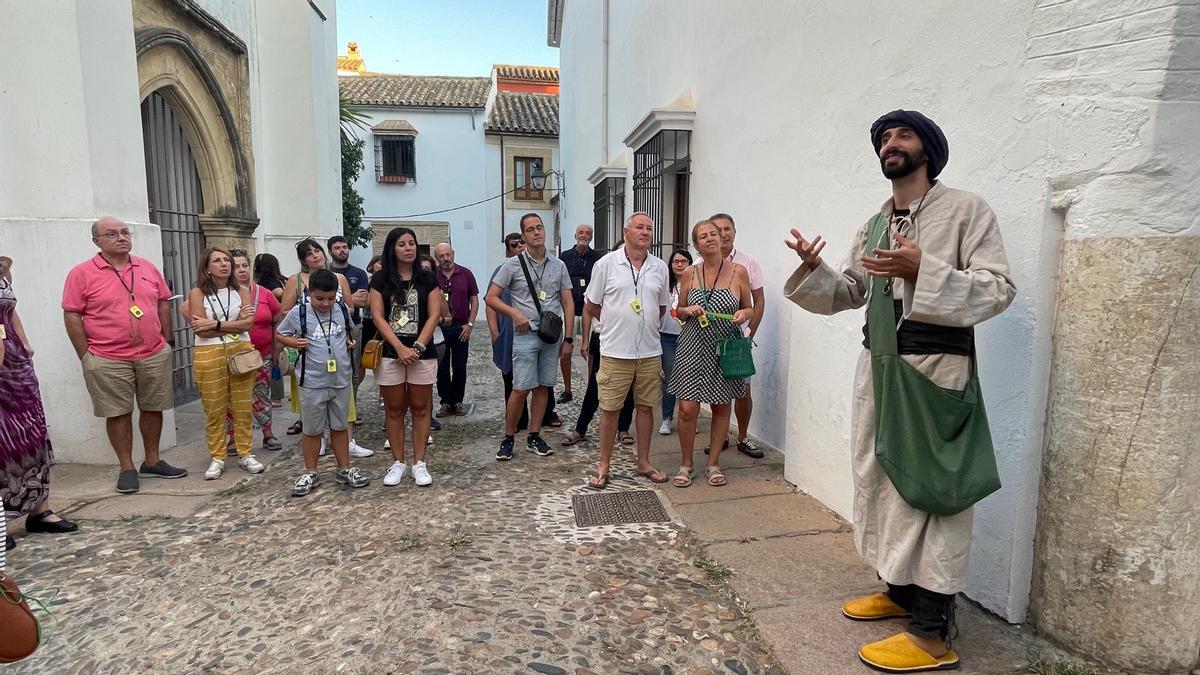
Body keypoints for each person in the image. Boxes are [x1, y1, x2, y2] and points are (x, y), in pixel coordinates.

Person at [784, 110, 1015, 672]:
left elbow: (998, 290)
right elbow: (851, 291)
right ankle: (901, 591)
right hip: (881, 366)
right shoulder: (872, 225)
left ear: (928, 148)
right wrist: (816, 269)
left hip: (938, 370)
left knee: (936, 486)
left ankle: (933, 630)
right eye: (884, 138)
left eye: (903, 135)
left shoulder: (966, 210)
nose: (891, 143)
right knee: (883, 478)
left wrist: (923, 269)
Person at [63, 217, 188, 494]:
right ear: (97, 241)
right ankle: (127, 467)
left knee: (154, 407)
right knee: (118, 413)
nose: (121, 237)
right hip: (107, 356)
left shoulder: (147, 267)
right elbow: (72, 314)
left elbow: (162, 303)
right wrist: (86, 355)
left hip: (153, 352)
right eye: (112, 234)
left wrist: (166, 341)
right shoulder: (81, 273)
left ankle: (152, 460)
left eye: (124, 232)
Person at [582, 213, 671, 490]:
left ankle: (644, 462)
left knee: (645, 408)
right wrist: (614, 323)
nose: (645, 232)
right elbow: (592, 304)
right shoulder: (606, 264)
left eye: (649, 228)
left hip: (649, 351)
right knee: (610, 409)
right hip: (615, 350)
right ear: (626, 232)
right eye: (639, 227)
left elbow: (661, 307)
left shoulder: (659, 267)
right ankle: (603, 465)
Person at [668, 220, 754, 488]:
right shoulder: (689, 274)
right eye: (703, 236)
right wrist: (687, 310)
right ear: (696, 245)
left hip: (724, 346)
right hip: (693, 345)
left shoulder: (739, 272)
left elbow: (749, 307)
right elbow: (678, 310)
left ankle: (714, 463)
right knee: (687, 409)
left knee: (720, 405)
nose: (710, 239)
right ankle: (686, 464)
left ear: (721, 238)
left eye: (713, 234)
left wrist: (744, 314)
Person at [2, 256, 77, 554]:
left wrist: (25, 343)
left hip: (14, 363)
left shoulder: (3, 268)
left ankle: (39, 510)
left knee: (31, 435)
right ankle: (2, 523)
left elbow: (10, 312)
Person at [485, 214, 574, 461]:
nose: (537, 233)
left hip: (551, 335)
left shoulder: (558, 265)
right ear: (523, 236)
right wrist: (514, 313)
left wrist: (568, 338)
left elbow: (567, 300)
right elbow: (491, 298)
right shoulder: (512, 265)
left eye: (539, 228)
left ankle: (535, 434)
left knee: (544, 385)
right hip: (525, 334)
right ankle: (509, 437)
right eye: (530, 230)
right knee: (520, 388)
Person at [277, 269, 370, 496]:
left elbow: (347, 331)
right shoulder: (299, 313)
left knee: (339, 426)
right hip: (312, 381)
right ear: (310, 293)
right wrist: (294, 342)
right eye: (320, 298)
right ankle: (311, 471)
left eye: (330, 298)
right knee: (312, 429)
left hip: (340, 379)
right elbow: (280, 334)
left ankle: (344, 468)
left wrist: (349, 343)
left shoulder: (340, 309)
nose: (325, 303)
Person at [279, 238, 372, 458]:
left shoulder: (339, 278)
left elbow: (350, 308)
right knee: (313, 399)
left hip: (337, 341)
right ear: (303, 259)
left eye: (317, 251)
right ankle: (317, 439)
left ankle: (347, 441)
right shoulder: (296, 281)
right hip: (310, 346)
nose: (315, 256)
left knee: (344, 390)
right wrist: (305, 317)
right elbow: (284, 313)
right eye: (309, 253)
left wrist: (337, 311)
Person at [370, 228, 440, 488]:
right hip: (391, 353)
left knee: (422, 409)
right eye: (402, 244)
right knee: (394, 409)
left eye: (412, 243)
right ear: (392, 248)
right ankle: (398, 461)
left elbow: (434, 314)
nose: (409, 248)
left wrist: (419, 346)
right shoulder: (379, 280)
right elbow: (378, 315)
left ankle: (419, 462)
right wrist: (399, 347)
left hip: (423, 353)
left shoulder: (428, 279)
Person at [187, 247, 264, 480]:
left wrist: (216, 324)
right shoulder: (197, 293)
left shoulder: (241, 290)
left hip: (240, 350)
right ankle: (218, 456)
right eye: (217, 261)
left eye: (226, 260)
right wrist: (234, 322)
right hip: (209, 352)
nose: (224, 264)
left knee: (242, 405)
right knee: (214, 408)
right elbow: (200, 329)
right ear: (207, 268)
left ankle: (245, 453)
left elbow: (248, 325)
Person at [711, 213, 767, 458]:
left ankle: (743, 437)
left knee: (743, 389)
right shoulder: (704, 264)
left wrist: (749, 332)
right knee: (716, 389)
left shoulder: (748, 262)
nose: (723, 234)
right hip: (711, 337)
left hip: (737, 338)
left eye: (727, 229)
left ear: (734, 232)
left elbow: (760, 299)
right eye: (718, 230)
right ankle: (720, 437)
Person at [226, 250, 282, 452]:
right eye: (236, 267)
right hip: (232, 355)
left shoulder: (264, 293)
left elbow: (277, 319)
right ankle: (232, 438)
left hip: (262, 354)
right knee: (232, 397)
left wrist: (277, 348)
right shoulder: (224, 295)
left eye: (244, 266)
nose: (241, 271)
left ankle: (267, 433)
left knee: (261, 394)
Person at [556, 224, 603, 404]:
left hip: (589, 311)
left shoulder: (598, 259)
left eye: (587, 233)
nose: (584, 236)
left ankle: (592, 389)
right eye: (581, 233)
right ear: (575, 235)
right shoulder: (564, 258)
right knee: (565, 351)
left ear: (591, 237)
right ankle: (567, 389)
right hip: (568, 311)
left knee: (590, 351)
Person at [433, 243, 479, 417]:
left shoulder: (465, 274)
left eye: (448, 254)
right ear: (437, 258)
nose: (446, 259)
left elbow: (474, 300)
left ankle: (458, 401)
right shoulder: (432, 276)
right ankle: (445, 402)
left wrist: (470, 324)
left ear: (453, 254)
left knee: (460, 365)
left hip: (461, 327)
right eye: (441, 256)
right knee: (442, 366)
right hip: (440, 328)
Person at [328, 236, 370, 409]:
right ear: (330, 251)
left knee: (353, 367)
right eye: (337, 247)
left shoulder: (359, 274)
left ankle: (350, 408)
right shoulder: (325, 273)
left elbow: (364, 301)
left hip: (354, 325)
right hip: (328, 327)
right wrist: (349, 299)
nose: (342, 250)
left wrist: (339, 300)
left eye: (345, 247)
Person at [658, 247, 693, 435]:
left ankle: (688, 418)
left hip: (690, 336)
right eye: (675, 262)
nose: (679, 265)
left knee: (689, 378)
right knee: (670, 379)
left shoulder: (695, 284)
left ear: (690, 264)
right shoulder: (664, 284)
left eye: (683, 261)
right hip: (667, 337)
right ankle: (667, 418)